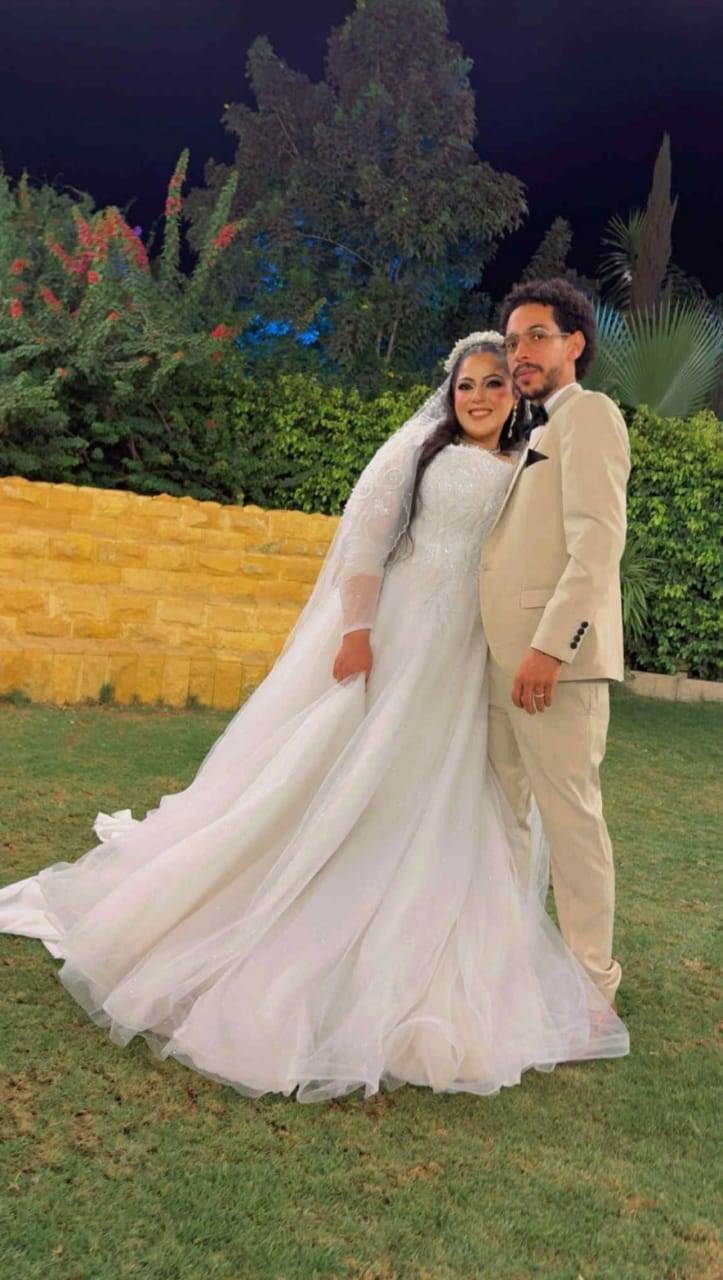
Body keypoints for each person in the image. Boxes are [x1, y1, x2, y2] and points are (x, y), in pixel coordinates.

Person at [0, 332, 629, 1103]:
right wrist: (356, 631)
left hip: (469, 654)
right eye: (465, 384)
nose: (477, 397)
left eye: (493, 385)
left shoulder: (529, 463)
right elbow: (364, 539)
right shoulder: (420, 454)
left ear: (514, 395)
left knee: (440, 791)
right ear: (449, 391)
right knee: (346, 770)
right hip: (401, 632)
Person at [481, 279, 630, 1011]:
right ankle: (513, 964)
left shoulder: (590, 415)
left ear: (574, 342)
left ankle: (591, 988)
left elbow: (597, 541)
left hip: (552, 667)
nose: (520, 353)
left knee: (570, 823)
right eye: (512, 341)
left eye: (535, 336)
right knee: (502, 816)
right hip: (498, 661)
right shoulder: (529, 429)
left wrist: (551, 649)